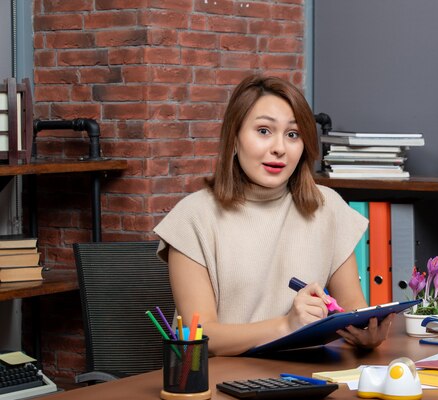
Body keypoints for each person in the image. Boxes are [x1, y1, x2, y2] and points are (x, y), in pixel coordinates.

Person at [154, 74, 394, 356]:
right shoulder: (193, 217)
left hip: (304, 379)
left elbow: (353, 311)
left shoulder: (328, 207)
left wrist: (366, 332)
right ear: (234, 136)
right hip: (217, 385)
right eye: (264, 131)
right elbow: (201, 333)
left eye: (293, 135)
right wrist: (286, 325)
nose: (279, 148)